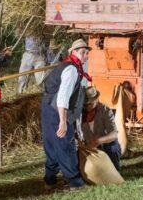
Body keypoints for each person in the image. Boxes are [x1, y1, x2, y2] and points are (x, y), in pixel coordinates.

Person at [41, 38, 92, 190]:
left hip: (47, 107)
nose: (86, 56)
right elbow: (63, 97)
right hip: (57, 110)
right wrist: (63, 121)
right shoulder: (71, 70)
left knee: (52, 144)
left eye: (87, 53)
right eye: (83, 52)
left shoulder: (67, 65)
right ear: (74, 52)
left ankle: (49, 181)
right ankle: (75, 182)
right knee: (65, 144)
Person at [77, 85, 122, 171]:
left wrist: (98, 141)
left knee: (113, 148)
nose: (87, 107)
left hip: (105, 144)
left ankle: (115, 172)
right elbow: (74, 133)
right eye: (84, 104)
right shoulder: (79, 114)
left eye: (90, 103)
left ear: (96, 100)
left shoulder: (105, 110)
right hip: (87, 146)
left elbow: (114, 134)